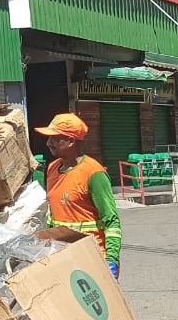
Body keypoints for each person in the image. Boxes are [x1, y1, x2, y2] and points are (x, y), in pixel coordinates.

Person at [33, 114, 122, 276]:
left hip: (92, 257)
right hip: (64, 257)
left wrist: (112, 260)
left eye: (54, 138)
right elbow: (54, 216)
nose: (48, 143)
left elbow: (111, 221)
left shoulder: (93, 173)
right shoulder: (52, 168)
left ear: (71, 141)